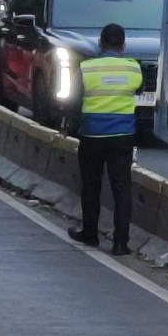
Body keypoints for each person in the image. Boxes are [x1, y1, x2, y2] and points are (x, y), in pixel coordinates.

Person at [68, 23, 143, 256]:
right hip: (122, 136)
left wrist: (71, 125)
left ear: (100, 43)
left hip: (92, 135)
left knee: (91, 186)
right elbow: (139, 92)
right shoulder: (133, 69)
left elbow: (74, 98)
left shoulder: (87, 68)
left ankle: (90, 233)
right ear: (123, 45)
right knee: (121, 189)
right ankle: (121, 243)